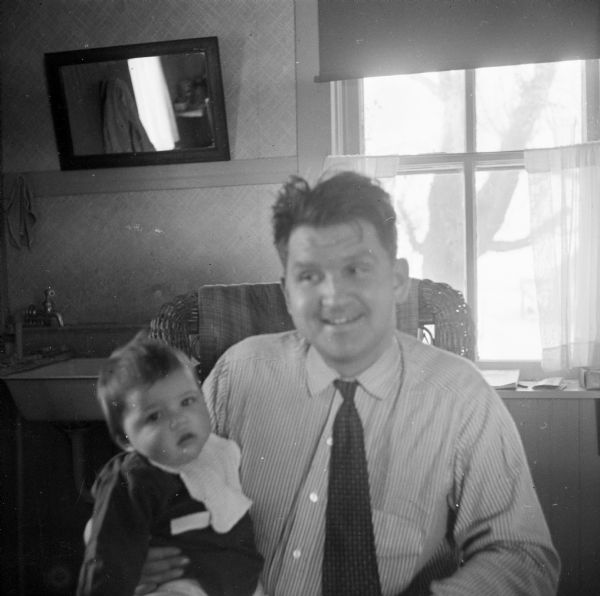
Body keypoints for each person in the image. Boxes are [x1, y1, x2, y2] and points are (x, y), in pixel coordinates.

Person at [139, 171, 560, 595]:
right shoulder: (238, 374)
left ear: (396, 280)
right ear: (287, 293)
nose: (334, 297)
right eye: (309, 276)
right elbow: (165, 501)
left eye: (356, 269)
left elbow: (520, 554)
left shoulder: (461, 397)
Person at [78, 333, 264, 596]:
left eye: (187, 401)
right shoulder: (133, 478)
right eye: (154, 416)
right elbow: (109, 557)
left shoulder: (216, 452)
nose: (179, 420)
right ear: (126, 439)